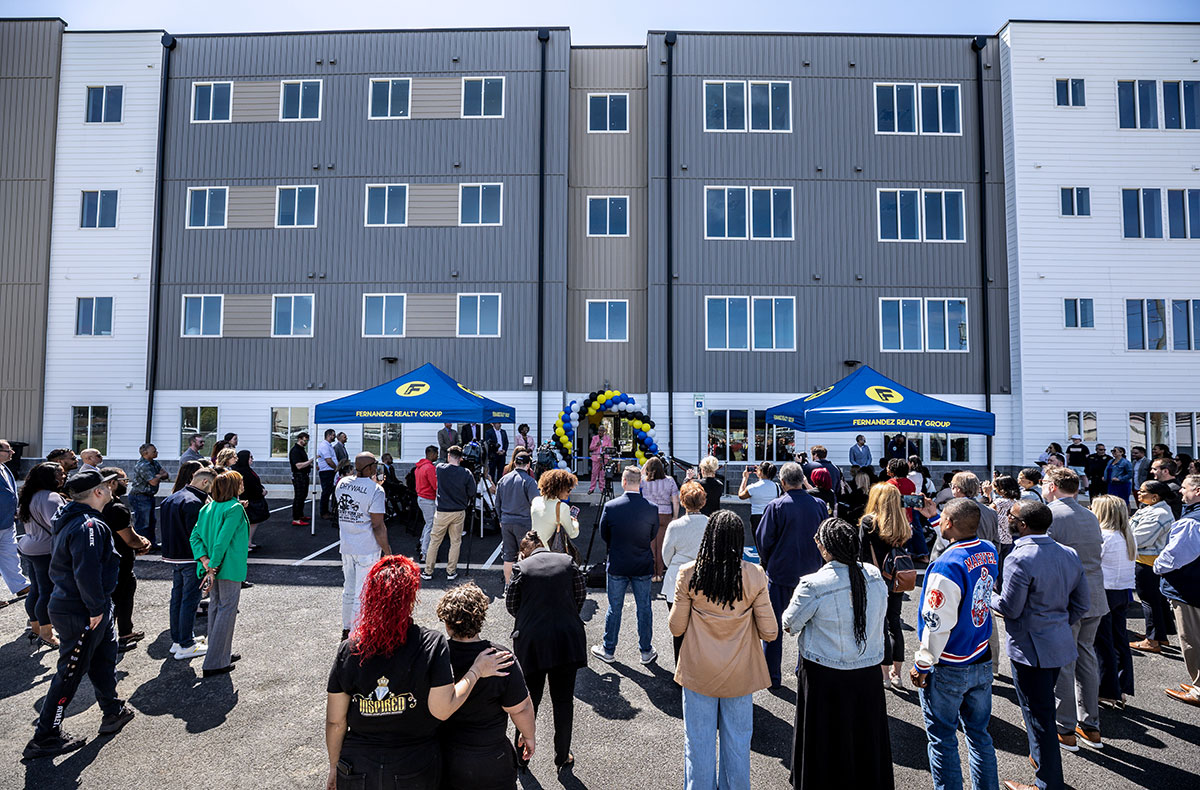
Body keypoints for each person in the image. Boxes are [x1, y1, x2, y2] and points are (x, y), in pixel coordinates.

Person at [325, 555, 514, 790]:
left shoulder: (350, 649)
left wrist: (334, 766)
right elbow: (443, 709)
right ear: (410, 597)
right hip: (414, 766)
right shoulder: (430, 644)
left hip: (358, 766)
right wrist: (476, 670)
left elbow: (335, 721)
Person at [24, 469, 134, 760]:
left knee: (103, 658)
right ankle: (45, 736)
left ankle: (112, 711)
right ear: (98, 492)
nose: (112, 489)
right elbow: (85, 570)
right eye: (107, 486)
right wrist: (96, 608)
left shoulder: (74, 517)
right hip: (82, 609)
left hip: (87, 607)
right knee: (69, 674)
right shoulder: (87, 525)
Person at [670, 510, 778, 790]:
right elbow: (770, 632)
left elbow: (676, 628)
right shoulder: (754, 575)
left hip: (697, 670)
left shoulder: (689, 574)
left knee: (698, 743)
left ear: (709, 537)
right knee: (738, 743)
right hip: (740, 672)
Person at [782, 517, 890, 790]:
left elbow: (789, 624)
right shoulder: (874, 575)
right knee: (865, 736)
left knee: (824, 739)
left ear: (825, 549)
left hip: (824, 674)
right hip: (866, 671)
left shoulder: (814, 584)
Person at [991, 500, 1089, 790]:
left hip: (1029, 648)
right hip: (1057, 642)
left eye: (1011, 515)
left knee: (1039, 715)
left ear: (1022, 525)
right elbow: (1082, 603)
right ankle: (1039, 758)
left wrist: (986, 597)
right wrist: (1056, 623)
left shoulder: (1019, 557)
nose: (1008, 518)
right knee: (1041, 710)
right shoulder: (1068, 553)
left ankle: (1048, 782)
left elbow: (1010, 607)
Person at [909, 498, 999, 790]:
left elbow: (937, 623)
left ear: (950, 523)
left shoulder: (946, 566)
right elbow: (959, 541)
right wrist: (937, 519)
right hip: (980, 654)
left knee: (942, 738)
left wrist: (922, 663)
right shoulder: (987, 550)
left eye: (943, 518)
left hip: (949, 663)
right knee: (979, 734)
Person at [435, 583, 535, 790]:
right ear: (480, 618)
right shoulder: (500, 658)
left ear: (447, 623)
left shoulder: (437, 656)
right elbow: (521, 708)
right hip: (491, 759)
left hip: (445, 755)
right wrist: (529, 736)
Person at [506, 529, 588, 772]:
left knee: (528, 701)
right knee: (563, 702)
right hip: (566, 640)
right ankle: (562, 755)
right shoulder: (567, 561)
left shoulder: (522, 569)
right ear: (543, 545)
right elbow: (580, 596)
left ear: (523, 553)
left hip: (533, 644)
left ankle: (521, 756)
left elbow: (512, 606)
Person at [1039, 467, 1108, 751]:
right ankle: (1090, 725)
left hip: (1067, 598)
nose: (1043, 487)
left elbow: (1044, 558)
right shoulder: (1089, 513)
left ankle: (1065, 728)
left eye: (1045, 483)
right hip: (1094, 595)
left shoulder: (1051, 514)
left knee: (1065, 663)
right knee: (1087, 658)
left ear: (1053, 486)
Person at [755, 462, 827, 688]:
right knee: (810, 626)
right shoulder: (819, 504)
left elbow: (763, 540)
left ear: (783, 482)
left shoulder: (776, 506)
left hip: (781, 573)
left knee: (774, 626)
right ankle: (802, 671)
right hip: (812, 573)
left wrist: (767, 562)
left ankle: (771, 675)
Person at [592, 465, 659, 664]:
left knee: (614, 607)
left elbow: (605, 535)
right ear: (641, 483)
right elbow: (652, 535)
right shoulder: (651, 508)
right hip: (642, 563)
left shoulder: (611, 507)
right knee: (644, 607)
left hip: (618, 563)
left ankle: (609, 649)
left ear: (623, 482)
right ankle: (646, 651)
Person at [190, 470, 250, 678]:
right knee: (226, 610)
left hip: (212, 567)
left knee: (216, 608)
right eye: (240, 482)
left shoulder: (207, 508)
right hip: (228, 568)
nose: (243, 485)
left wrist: (206, 562)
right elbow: (222, 541)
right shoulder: (233, 508)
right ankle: (216, 660)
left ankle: (220, 654)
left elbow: (194, 537)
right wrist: (213, 566)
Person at [859, 483, 912, 689]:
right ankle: (897, 673)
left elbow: (862, 554)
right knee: (895, 624)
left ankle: (884, 675)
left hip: (874, 578)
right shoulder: (902, 523)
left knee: (879, 625)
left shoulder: (868, 522)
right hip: (896, 579)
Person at [160, 465, 215, 659]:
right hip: (191, 557)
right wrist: (205, 559)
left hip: (174, 556)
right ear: (205, 482)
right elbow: (198, 535)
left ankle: (179, 639)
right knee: (189, 601)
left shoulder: (173, 497)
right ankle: (186, 643)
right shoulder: (195, 502)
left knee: (178, 598)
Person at [335, 451, 391, 640]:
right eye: (374, 464)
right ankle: (357, 633)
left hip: (347, 545)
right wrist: (388, 551)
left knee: (348, 589)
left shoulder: (342, 484)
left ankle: (346, 627)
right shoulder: (376, 491)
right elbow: (377, 525)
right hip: (366, 547)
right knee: (362, 592)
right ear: (370, 468)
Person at [1156, 474, 1200, 707]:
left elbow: (1173, 557)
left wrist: (1157, 566)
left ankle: (1199, 688)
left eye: (1185, 488)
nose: (1181, 492)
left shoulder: (1192, 521)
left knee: (1192, 639)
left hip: (1189, 589)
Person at [1091, 494, 1136, 707]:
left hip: (1105, 591)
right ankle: (1121, 686)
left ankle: (1107, 689)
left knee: (1103, 642)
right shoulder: (1127, 534)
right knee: (1119, 640)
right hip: (1122, 590)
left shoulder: (1103, 536)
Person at [101, 467, 151, 651]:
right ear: (112, 483)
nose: (126, 484)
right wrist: (142, 543)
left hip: (103, 560)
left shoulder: (97, 504)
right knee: (122, 597)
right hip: (119, 563)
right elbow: (129, 538)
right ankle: (119, 636)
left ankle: (121, 633)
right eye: (124, 480)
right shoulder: (116, 508)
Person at [16, 462, 66, 647]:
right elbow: (58, 526)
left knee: (37, 589)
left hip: (29, 547)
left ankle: (36, 628)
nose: (63, 477)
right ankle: (47, 633)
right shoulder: (50, 497)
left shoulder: (30, 494)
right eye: (59, 474)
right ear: (48, 477)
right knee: (47, 591)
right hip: (45, 550)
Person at [662, 481, 709, 661]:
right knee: (701, 629)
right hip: (702, 579)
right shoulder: (709, 523)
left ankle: (680, 670)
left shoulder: (675, 526)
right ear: (702, 502)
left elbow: (666, 555)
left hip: (677, 579)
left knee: (678, 630)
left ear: (682, 502)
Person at [1130, 480, 1177, 653]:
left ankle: (1153, 640)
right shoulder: (1152, 509)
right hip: (1147, 560)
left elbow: (1139, 539)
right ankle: (1159, 635)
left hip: (1148, 562)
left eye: (1142, 492)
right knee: (1155, 600)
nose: (1139, 494)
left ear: (1155, 497)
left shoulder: (1159, 513)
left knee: (1148, 600)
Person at [423, 445, 475, 581]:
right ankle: (451, 571)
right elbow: (472, 492)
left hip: (442, 511)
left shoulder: (440, 469)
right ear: (461, 458)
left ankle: (428, 571)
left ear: (448, 456)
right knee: (455, 542)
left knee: (434, 541)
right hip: (458, 511)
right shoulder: (466, 473)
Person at [496, 452, 540, 585]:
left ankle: (508, 586)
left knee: (508, 556)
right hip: (524, 522)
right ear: (528, 465)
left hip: (506, 521)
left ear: (515, 463)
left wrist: (500, 519)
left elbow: (497, 503)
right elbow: (536, 503)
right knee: (525, 555)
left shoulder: (503, 480)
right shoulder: (530, 481)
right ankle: (524, 585)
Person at [0, 440, 31, 603]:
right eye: (8, 450)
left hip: (7, 521)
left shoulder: (4, 468)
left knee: (10, 554)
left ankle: (20, 585)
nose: (12, 452)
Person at [641, 458, 679, 582]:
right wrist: (675, 517)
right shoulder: (670, 480)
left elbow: (640, 474)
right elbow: (675, 501)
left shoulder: (644, 481)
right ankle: (660, 573)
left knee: (651, 544)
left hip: (649, 514)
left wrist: (646, 463)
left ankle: (652, 574)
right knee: (662, 544)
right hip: (665, 514)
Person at [129, 442, 169, 547]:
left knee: (151, 522)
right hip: (140, 496)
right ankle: (141, 545)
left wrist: (158, 476)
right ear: (145, 453)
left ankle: (152, 544)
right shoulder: (143, 465)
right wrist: (159, 476)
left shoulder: (154, 463)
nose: (156, 452)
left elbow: (166, 475)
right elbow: (153, 481)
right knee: (143, 523)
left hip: (149, 496)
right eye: (154, 451)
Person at [233, 450, 268, 551]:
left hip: (252, 499)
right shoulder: (243, 472)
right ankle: (245, 543)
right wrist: (261, 491)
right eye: (250, 457)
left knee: (252, 522)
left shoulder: (246, 470)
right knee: (249, 522)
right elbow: (250, 486)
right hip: (250, 500)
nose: (252, 460)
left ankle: (248, 542)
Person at [737, 462, 779, 534]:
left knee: (758, 541)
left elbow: (741, 495)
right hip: (772, 516)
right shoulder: (777, 486)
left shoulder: (753, 487)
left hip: (757, 517)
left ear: (761, 472)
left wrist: (745, 478)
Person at [413, 445, 438, 563]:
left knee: (428, 523)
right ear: (432, 454)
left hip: (421, 498)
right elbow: (435, 485)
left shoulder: (419, 467)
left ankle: (422, 542)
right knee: (431, 525)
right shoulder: (430, 468)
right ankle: (425, 552)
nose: (437, 456)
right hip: (429, 499)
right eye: (436, 454)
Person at [289, 431, 312, 526]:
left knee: (303, 496)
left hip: (304, 475)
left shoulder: (301, 450)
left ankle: (300, 514)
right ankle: (296, 518)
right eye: (304, 440)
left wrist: (311, 466)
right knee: (298, 496)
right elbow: (298, 465)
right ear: (299, 439)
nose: (306, 442)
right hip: (299, 476)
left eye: (307, 441)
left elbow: (303, 463)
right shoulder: (295, 451)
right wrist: (311, 461)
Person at [317, 428, 338, 520]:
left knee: (329, 491)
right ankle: (323, 512)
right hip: (326, 472)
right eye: (333, 435)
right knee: (326, 492)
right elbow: (328, 460)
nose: (335, 437)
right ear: (329, 435)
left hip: (330, 471)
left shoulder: (329, 445)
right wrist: (336, 468)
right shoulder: (324, 446)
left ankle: (326, 511)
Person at [587, 423, 614, 495]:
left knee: (602, 475)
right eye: (599, 430)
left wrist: (605, 448)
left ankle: (602, 489)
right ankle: (591, 488)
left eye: (602, 430)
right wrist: (597, 445)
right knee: (594, 474)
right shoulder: (594, 438)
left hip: (604, 458)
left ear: (604, 431)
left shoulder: (607, 438)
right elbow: (591, 448)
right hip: (596, 458)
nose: (600, 432)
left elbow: (610, 448)